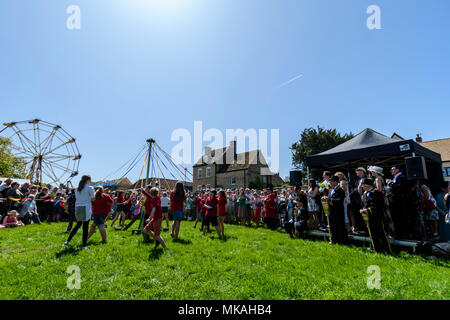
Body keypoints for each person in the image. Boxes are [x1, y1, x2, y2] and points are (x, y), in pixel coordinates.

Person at [360, 178, 392, 254]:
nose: (362, 186)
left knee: (382, 234)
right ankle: (377, 250)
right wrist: (362, 210)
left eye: (363, 185)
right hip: (369, 217)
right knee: (373, 234)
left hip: (378, 217)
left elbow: (379, 206)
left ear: (368, 185)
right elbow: (364, 205)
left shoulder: (377, 193)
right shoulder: (364, 194)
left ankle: (387, 251)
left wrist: (368, 210)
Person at [63, 175, 95, 250]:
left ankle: (67, 241)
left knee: (78, 225)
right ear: (88, 180)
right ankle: (84, 246)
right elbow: (93, 199)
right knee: (85, 227)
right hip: (86, 208)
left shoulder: (77, 189)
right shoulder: (90, 188)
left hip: (78, 207)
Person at [323, 176, 348, 245]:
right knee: (332, 226)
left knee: (339, 226)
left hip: (338, 211)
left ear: (335, 182)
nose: (330, 183)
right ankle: (334, 240)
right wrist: (326, 198)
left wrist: (329, 200)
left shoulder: (340, 190)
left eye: (331, 181)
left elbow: (339, 200)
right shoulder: (331, 190)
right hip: (332, 210)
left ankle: (342, 241)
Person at [386, 166, 410, 239]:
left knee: (401, 217)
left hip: (400, 201)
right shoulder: (395, 177)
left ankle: (403, 234)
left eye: (392, 169)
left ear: (397, 169)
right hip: (395, 201)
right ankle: (398, 233)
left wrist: (390, 183)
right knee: (396, 218)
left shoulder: (402, 177)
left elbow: (400, 187)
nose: (391, 171)